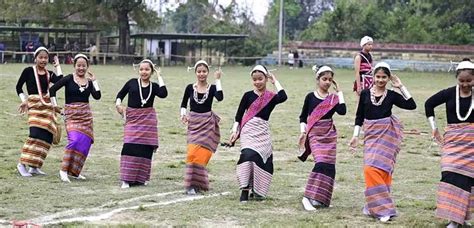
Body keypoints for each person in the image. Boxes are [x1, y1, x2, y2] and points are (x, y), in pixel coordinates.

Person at [349, 62, 416, 222]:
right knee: (370, 169)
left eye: (384, 77)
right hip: (371, 135)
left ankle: (378, 208)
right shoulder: (365, 94)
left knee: (384, 170)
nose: (380, 80)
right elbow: (359, 116)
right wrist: (355, 136)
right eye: (378, 76)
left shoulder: (392, 95)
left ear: (388, 78)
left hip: (387, 136)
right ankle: (380, 207)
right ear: (373, 77)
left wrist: (400, 86)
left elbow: (411, 105)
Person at [424, 59, 473, 228]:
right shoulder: (449, 93)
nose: (465, 84)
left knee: (467, 180)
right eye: (462, 81)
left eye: (469, 81)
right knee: (449, 174)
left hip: (471, 145)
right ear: (456, 79)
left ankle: (461, 218)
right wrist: (434, 128)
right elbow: (428, 104)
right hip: (452, 142)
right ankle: (453, 218)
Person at [229, 65, 287, 202]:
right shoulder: (248, 95)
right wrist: (234, 130)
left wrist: (275, 81)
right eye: (254, 80)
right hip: (248, 130)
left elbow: (283, 96)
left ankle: (257, 190)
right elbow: (239, 115)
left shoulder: (271, 97)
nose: (257, 82)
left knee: (261, 160)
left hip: (263, 132)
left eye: (260, 79)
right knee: (247, 155)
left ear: (265, 79)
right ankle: (244, 190)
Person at [297, 66, 346, 211]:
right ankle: (307, 197)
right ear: (317, 80)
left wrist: (340, 93)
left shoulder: (333, 99)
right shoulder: (310, 97)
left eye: (330, 80)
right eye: (324, 79)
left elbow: (343, 111)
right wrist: (302, 132)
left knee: (330, 167)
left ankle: (322, 199)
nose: (327, 82)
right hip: (315, 135)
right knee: (320, 164)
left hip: (329, 135)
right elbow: (302, 116)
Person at [49, 53, 101, 182]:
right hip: (71, 116)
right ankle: (63, 170)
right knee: (74, 141)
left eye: (84, 66)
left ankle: (75, 172)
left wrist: (95, 82)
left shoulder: (89, 82)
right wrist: (55, 106)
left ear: (87, 66)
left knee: (85, 144)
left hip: (86, 117)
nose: (81, 68)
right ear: (74, 66)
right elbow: (52, 90)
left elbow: (97, 96)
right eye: (79, 65)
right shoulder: (68, 79)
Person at [115, 59, 168, 188]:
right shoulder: (132, 83)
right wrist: (118, 105)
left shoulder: (154, 86)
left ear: (151, 72)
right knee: (129, 146)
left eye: (147, 69)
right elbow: (120, 94)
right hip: (133, 119)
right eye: (141, 69)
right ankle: (126, 179)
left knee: (145, 149)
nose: (144, 72)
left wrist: (160, 76)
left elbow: (164, 94)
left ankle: (140, 178)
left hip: (147, 121)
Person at [15, 46, 63, 177]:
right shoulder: (28, 71)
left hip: (47, 107)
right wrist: (24, 100)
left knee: (47, 137)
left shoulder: (49, 74)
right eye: (40, 57)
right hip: (34, 105)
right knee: (35, 134)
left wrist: (57, 66)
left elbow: (60, 81)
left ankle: (34, 166)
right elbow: (18, 87)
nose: (43, 60)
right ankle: (21, 164)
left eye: (45, 58)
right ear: (35, 58)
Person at [180, 60, 223, 195]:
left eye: (204, 71)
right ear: (195, 73)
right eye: (199, 71)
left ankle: (195, 184)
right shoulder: (189, 88)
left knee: (202, 155)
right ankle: (191, 184)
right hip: (194, 123)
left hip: (207, 124)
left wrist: (217, 80)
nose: (201, 74)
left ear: (208, 73)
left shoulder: (213, 88)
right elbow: (183, 104)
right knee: (192, 153)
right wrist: (183, 114)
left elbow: (220, 97)